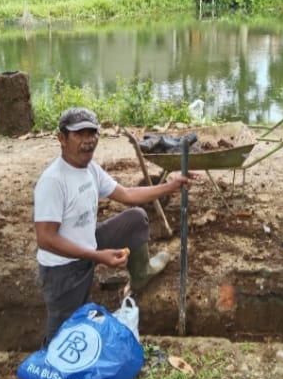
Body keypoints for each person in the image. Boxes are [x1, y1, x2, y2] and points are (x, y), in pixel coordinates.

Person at [34, 107, 196, 346]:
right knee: (62, 337)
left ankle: (141, 274)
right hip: (63, 269)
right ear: (62, 138)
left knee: (136, 218)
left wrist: (171, 186)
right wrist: (98, 256)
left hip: (87, 245)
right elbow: (46, 239)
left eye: (92, 134)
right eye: (79, 134)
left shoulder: (90, 170)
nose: (88, 141)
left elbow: (128, 194)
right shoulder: (53, 181)